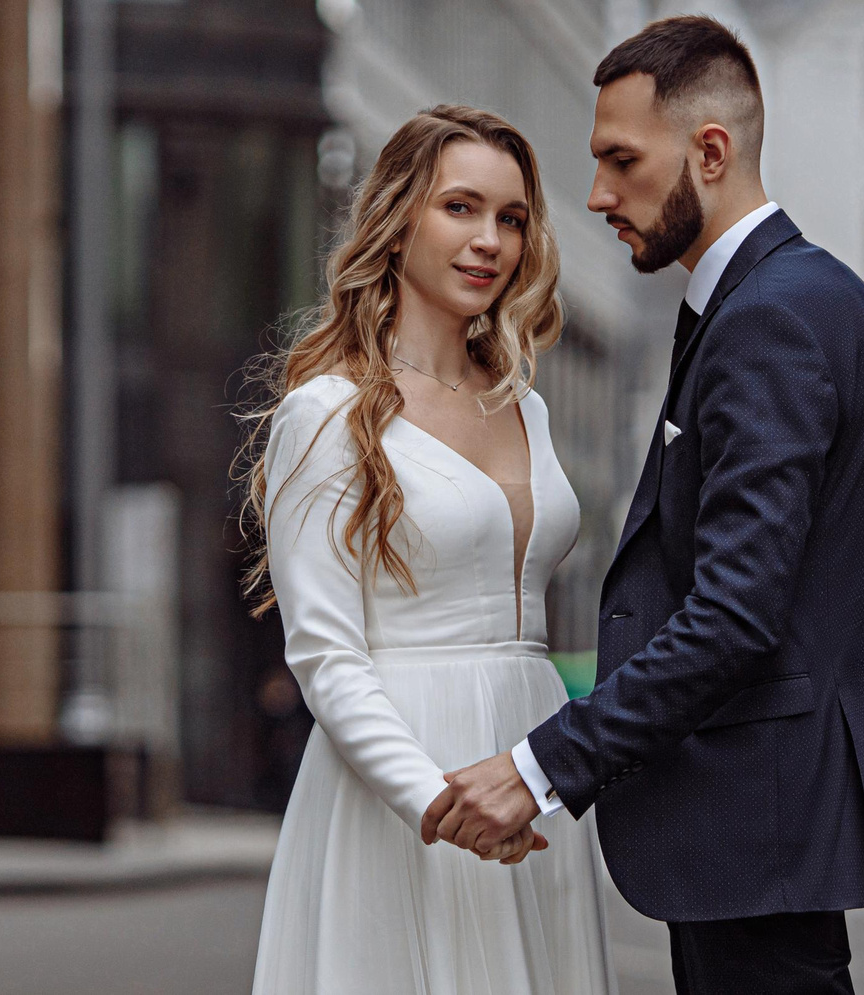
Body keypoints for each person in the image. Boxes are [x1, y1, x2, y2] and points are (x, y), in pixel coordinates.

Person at [424, 16, 864, 995]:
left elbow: (735, 614)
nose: (596, 195)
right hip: (763, 826)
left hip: (756, 822)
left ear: (710, 152)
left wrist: (539, 768)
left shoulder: (769, 321)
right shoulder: (795, 298)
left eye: (621, 161)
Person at [245, 105, 615, 995]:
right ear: (398, 217)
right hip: (408, 778)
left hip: (530, 758)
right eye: (460, 207)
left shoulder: (528, 405)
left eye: (511, 218)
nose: (489, 240)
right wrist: (438, 801)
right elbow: (326, 655)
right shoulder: (326, 412)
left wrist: (537, 775)